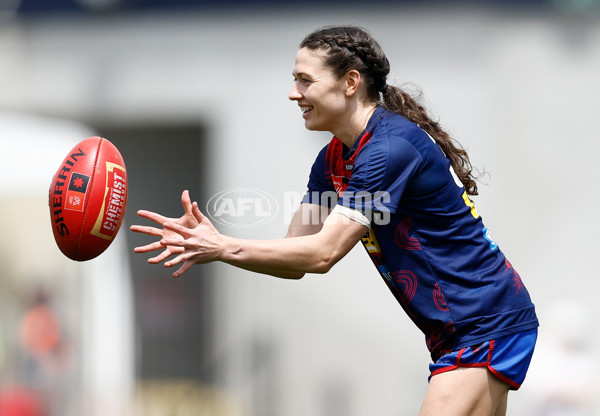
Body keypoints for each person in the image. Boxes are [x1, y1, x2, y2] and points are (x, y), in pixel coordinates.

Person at [130, 25, 539, 416]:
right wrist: (220, 246)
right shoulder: (332, 160)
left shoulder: (389, 149)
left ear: (350, 82)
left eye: (305, 80)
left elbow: (323, 254)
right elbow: (297, 254)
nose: (294, 94)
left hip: (485, 322)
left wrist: (223, 247)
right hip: (462, 330)